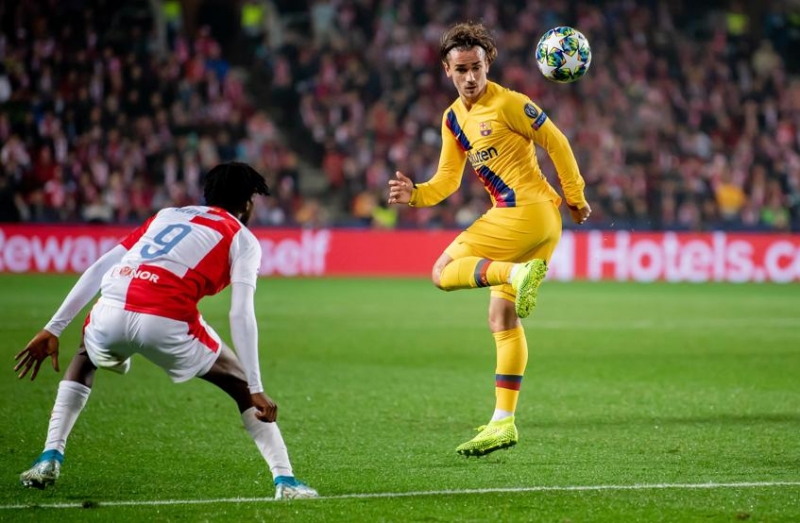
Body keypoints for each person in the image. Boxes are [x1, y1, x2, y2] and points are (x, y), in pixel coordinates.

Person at [14, 162, 318, 499]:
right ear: (248, 202)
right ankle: (285, 481)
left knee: (85, 356)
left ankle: (49, 457)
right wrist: (256, 386)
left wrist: (53, 328)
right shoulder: (242, 238)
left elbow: (100, 266)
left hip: (111, 308)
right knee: (241, 385)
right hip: (166, 320)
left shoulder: (166, 215)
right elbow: (240, 312)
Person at [387, 23, 592, 457]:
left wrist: (575, 197)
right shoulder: (452, 119)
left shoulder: (510, 103)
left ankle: (517, 274)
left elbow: (557, 142)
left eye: (477, 67)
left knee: (442, 272)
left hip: (525, 213)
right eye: (461, 69)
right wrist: (416, 194)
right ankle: (503, 422)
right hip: (537, 223)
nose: (470, 77)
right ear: (447, 70)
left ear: (488, 64)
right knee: (502, 319)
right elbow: (447, 180)